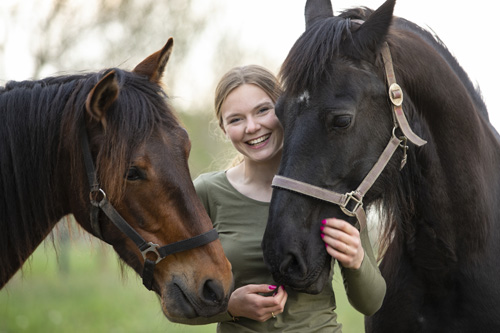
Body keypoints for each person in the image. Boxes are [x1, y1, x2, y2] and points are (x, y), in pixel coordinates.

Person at [183, 65, 386, 332]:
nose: (252, 127)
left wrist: (357, 259)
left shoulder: (330, 187)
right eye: (236, 119)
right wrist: (229, 308)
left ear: (287, 111)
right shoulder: (207, 193)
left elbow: (371, 303)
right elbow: (176, 301)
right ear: (223, 129)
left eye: (262, 110)